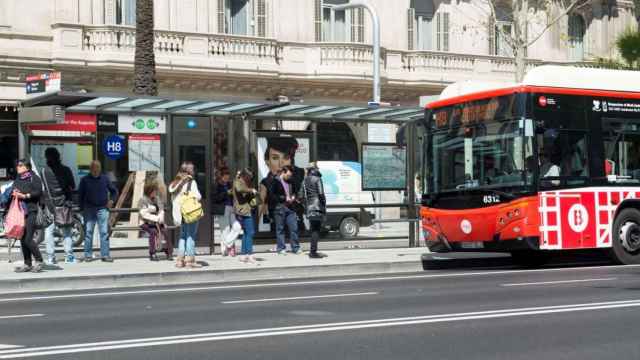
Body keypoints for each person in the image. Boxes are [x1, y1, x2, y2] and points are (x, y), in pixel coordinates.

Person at [41, 147, 76, 265]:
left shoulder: (44, 171)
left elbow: (44, 189)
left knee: (49, 231)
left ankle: (51, 257)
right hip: (64, 204)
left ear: (46, 157)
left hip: (50, 205)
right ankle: (69, 256)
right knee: (67, 230)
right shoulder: (66, 170)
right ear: (59, 156)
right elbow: (73, 186)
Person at [79, 160, 118, 263]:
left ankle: (105, 255)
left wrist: (112, 200)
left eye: (97, 169)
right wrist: (81, 209)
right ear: (90, 169)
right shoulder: (84, 180)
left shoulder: (105, 179)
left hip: (102, 209)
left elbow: (114, 191)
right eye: (93, 169)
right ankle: (88, 255)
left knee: (104, 232)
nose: (96, 171)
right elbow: (80, 196)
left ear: (100, 169)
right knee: (88, 232)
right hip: (89, 209)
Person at [12, 159, 45, 273]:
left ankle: (39, 260)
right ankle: (27, 263)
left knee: (28, 238)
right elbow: (14, 189)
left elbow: (38, 192)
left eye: (20, 165)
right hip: (20, 212)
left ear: (27, 167)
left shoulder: (34, 178)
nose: (18, 167)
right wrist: (14, 193)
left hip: (31, 211)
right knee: (22, 238)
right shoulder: (18, 179)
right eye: (17, 165)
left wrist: (24, 195)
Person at [169, 161, 202, 268]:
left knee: (182, 236)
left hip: (179, 215)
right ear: (188, 170)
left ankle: (180, 260)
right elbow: (198, 196)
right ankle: (190, 261)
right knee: (190, 236)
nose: (193, 170)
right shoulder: (191, 182)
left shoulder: (175, 182)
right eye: (192, 169)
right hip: (189, 213)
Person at [269, 165, 302, 255]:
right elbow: (272, 196)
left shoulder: (291, 181)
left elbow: (296, 192)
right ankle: (281, 248)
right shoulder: (275, 181)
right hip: (280, 208)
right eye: (288, 175)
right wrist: (284, 198)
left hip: (291, 208)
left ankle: (295, 248)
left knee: (294, 228)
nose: (289, 177)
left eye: (290, 175)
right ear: (283, 172)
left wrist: (294, 196)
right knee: (280, 229)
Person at [139, 180, 173, 262]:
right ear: (149, 191)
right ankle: (152, 253)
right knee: (153, 231)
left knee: (165, 231)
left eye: (155, 191)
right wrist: (155, 218)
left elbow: (161, 210)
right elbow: (144, 214)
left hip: (158, 222)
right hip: (146, 222)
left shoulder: (157, 199)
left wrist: (160, 219)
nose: (155, 193)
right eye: (153, 191)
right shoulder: (143, 200)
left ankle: (168, 252)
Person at [298, 163, 327, 259]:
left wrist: (306, 205)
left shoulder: (304, 181)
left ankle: (313, 251)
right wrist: (323, 205)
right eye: (317, 168)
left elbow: (300, 196)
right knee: (316, 230)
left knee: (313, 230)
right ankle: (313, 252)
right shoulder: (318, 179)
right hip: (317, 208)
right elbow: (321, 194)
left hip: (309, 209)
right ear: (314, 169)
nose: (318, 170)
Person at [233, 168, 258, 263]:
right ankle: (249, 254)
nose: (250, 178)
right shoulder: (238, 182)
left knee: (246, 233)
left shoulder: (244, 182)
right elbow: (239, 189)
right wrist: (251, 190)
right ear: (244, 175)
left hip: (245, 210)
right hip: (243, 211)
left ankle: (244, 254)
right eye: (249, 176)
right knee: (250, 232)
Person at [212, 167, 235, 256]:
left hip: (232, 208)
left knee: (236, 227)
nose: (227, 178)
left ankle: (227, 246)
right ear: (221, 176)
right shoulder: (216, 185)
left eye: (228, 176)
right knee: (225, 230)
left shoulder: (230, 184)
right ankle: (225, 250)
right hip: (222, 209)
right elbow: (215, 198)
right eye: (225, 176)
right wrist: (226, 193)